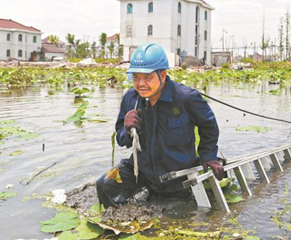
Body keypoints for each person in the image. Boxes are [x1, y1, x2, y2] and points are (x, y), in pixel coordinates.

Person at [96, 43, 224, 208]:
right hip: (142, 172)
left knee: (178, 213)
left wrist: (209, 156)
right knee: (105, 184)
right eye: (136, 77)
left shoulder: (186, 98)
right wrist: (127, 129)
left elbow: (209, 125)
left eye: (147, 77)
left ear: (162, 75)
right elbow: (122, 141)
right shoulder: (131, 98)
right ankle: (118, 226)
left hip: (177, 176)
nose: (140, 83)